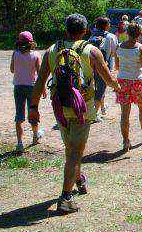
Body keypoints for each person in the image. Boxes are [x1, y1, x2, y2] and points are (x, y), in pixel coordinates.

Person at [30, 14, 121, 214]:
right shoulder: (91, 51)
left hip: (60, 107)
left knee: (71, 148)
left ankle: (78, 179)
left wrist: (33, 107)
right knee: (75, 151)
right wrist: (117, 86)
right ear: (85, 31)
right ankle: (66, 197)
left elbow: (39, 82)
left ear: (66, 30)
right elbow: (106, 77)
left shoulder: (52, 51)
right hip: (82, 108)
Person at [115, 22, 142, 152]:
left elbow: (117, 66)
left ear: (127, 32)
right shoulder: (141, 48)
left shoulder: (118, 47)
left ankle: (126, 141)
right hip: (137, 80)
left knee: (125, 113)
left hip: (123, 81)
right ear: (139, 34)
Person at [10, 31, 45, 152]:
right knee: (33, 111)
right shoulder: (36, 55)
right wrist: (43, 89)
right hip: (32, 87)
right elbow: (40, 74)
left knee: (19, 115)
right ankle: (35, 137)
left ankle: (19, 143)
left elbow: (12, 69)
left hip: (18, 87)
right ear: (31, 43)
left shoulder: (15, 53)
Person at [89, 16, 118, 120]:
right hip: (105, 66)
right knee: (101, 89)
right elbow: (115, 52)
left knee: (95, 88)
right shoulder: (111, 37)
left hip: (90, 66)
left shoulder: (91, 36)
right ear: (106, 25)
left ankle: (102, 107)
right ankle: (94, 115)